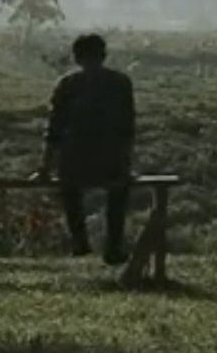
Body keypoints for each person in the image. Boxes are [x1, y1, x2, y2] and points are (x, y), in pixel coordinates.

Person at [31, 33, 136, 264]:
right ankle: (113, 247)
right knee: (118, 193)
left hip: (74, 162)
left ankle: (80, 243)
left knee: (69, 191)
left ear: (76, 57)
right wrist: (126, 165)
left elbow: (54, 131)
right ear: (104, 55)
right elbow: (127, 129)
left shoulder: (67, 84)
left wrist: (46, 168)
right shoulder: (120, 83)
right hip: (111, 162)